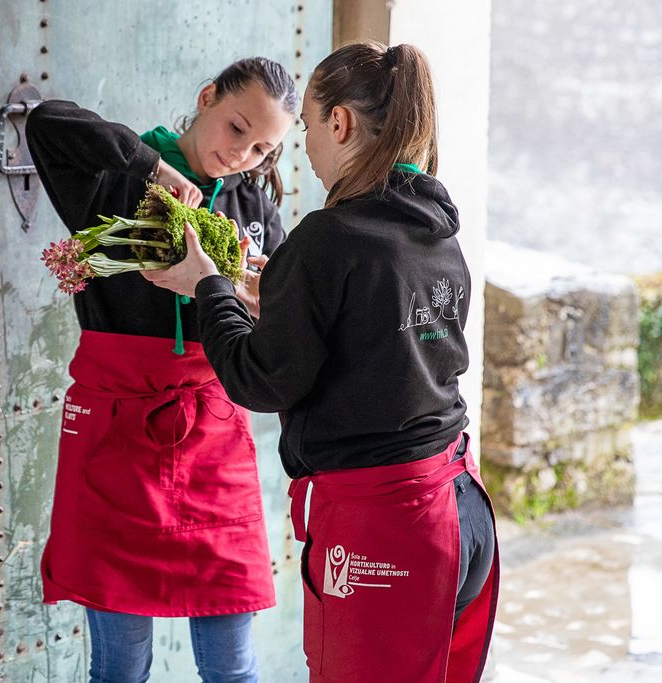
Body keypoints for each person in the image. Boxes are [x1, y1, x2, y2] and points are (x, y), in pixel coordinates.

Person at [144, 42, 499, 682]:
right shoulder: (435, 233)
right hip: (459, 509)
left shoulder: (329, 237)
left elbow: (260, 377)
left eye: (306, 127)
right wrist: (275, 298)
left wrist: (208, 287)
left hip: (385, 526)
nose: (305, 148)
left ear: (340, 124)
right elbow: (379, 343)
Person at [25, 57, 298, 683]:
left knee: (234, 667)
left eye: (263, 147)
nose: (244, 155)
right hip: (115, 435)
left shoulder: (253, 205)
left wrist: (253, 300)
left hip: (212, 433)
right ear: (207, 99)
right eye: (236, 129)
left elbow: (278, 313)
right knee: (121, 670)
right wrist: (155, 170)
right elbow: (47, 122)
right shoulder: (115, 179)